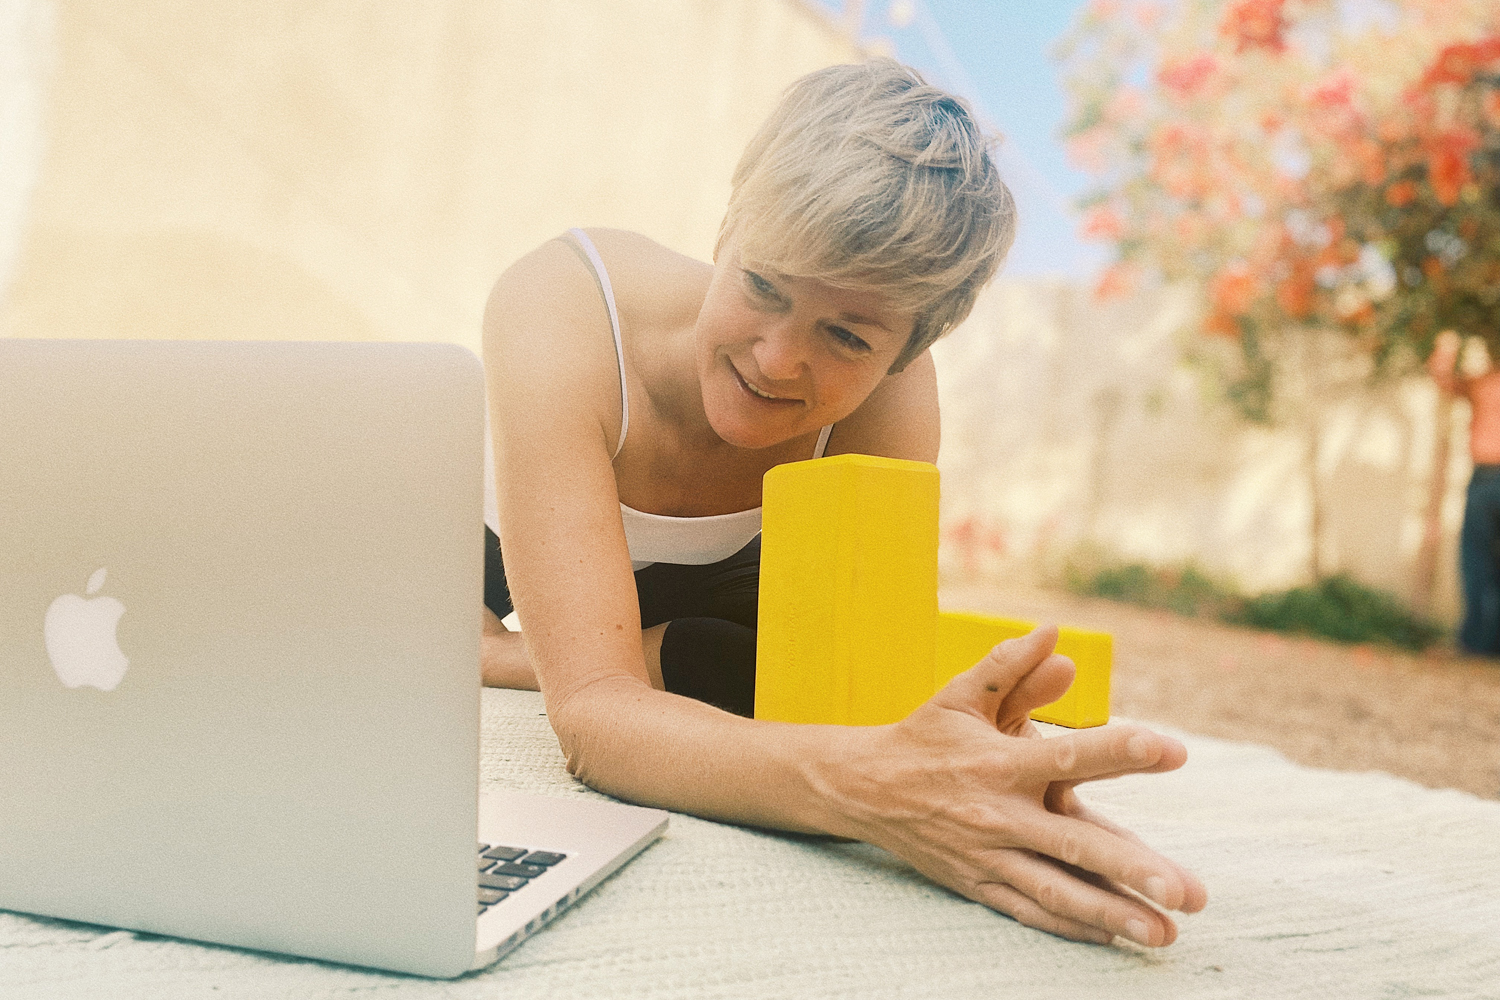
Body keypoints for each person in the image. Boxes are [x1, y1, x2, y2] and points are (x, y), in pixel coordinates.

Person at [479, 59, 1207, 947]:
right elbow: (596, 720)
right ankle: (512, 648)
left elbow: (859, 696)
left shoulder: (894, 397)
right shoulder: (561, 304)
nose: (778, 359)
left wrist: (972, 761)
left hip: (719, 597)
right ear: (727, 230)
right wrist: (878, 793)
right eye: (765, 286)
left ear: (908, 349)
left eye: (846, 336)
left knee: (753, 670)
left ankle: (548, 651)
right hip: (482, 551)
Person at [1428, 330, 1500, 654]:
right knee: (1480, 562)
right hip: (1483, 477)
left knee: (1477, 562)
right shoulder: (1481, 381)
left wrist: (1446, 345)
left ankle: (1475, 643)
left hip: (1486, 478)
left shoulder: (1483, 382)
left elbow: (1443, 379)